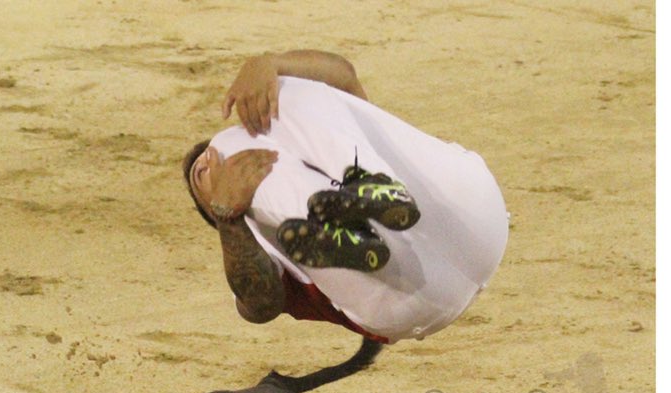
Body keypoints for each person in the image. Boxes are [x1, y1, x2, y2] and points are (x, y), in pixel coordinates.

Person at [183, 50, 508, 345]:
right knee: (244, 162)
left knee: (279, 90)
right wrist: (229, 214)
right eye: (203, 172)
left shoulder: (311, 144)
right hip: (403, 293)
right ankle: (344, 229)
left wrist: (268, 65)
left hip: (464, 209)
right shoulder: (254, 239)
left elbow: (344, 76)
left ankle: (368, 184)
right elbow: (258, 306)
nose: (218, 162)